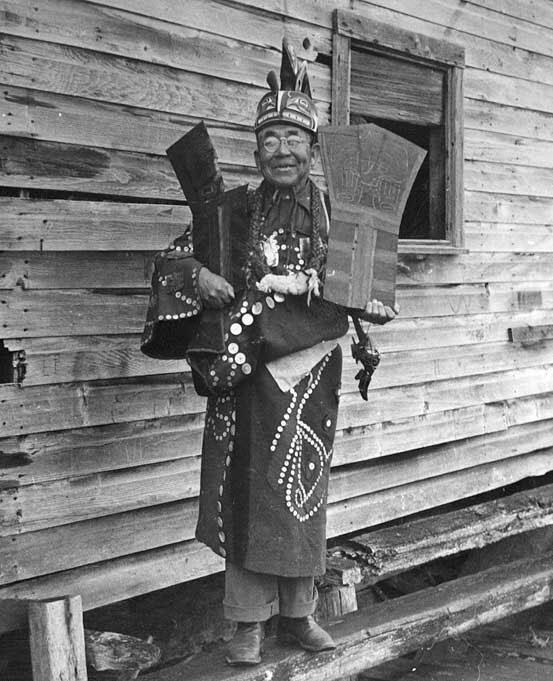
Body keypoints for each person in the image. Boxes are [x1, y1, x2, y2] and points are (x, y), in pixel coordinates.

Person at [141, 42, 397, 666]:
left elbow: (366, 291)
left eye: (294, 137)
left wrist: (374, 300)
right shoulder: (229, 213)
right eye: (271, 138)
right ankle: (247, 625)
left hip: (310, 377)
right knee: (247, 493)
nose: (282, 149)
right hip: (243, 375)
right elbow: (172, 261)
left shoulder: (341, 216)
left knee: (301, 488)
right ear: (257, 150)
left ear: (312, 148)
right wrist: (198, 277)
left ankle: (299, 615)